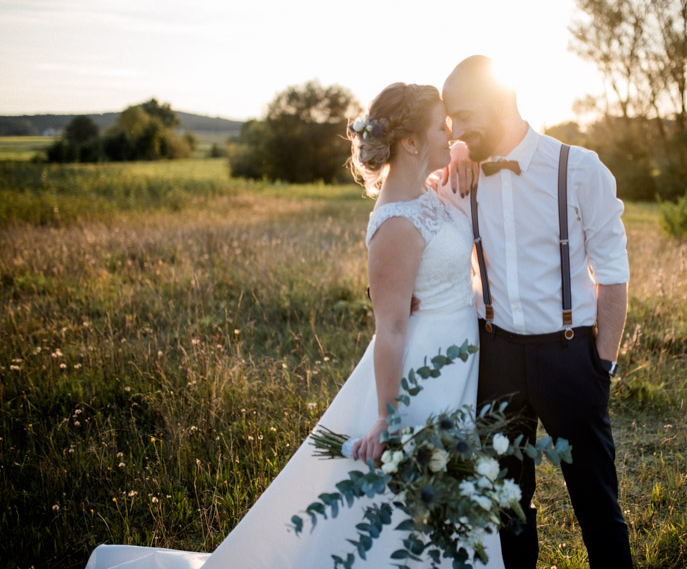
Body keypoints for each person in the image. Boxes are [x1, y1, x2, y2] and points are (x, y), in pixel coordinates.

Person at [85, 82, 503, 569]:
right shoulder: (394, 225)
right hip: (425, 374)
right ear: (411, 142)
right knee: (414, 498)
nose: (449, 133)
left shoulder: (427, 189)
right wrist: (388, 417)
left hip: (457, 358)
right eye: (441, 126)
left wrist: (459, 148)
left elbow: (455, 160)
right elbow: (389, 329)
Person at [437, 55, 634, 568]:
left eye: (462, 115)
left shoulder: (580, 169)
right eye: (450, 120)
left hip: (570, 358)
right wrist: (458, 148)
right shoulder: (463, 174)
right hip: (496, 356)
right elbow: (408, 198)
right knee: (507, 504)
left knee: (596, 503)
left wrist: (603, 364)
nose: (455, 129)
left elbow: (613, 273)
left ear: (500, 101)